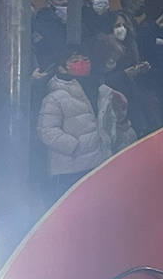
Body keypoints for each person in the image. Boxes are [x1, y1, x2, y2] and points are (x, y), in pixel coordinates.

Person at [37, 44, 134, 198]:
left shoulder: (102, 91)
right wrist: (75, 147)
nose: (82, 63)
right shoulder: (55, 96)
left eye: (85, 59)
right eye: (75, 60)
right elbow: (47, 131)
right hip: (69, 170)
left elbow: (110, 125)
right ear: (62, 68)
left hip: (99, 165)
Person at [32, 0, 69, 70]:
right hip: (50, 69)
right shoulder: (41, 23)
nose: (65, 2)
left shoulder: (81, 20)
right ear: (49, 3)